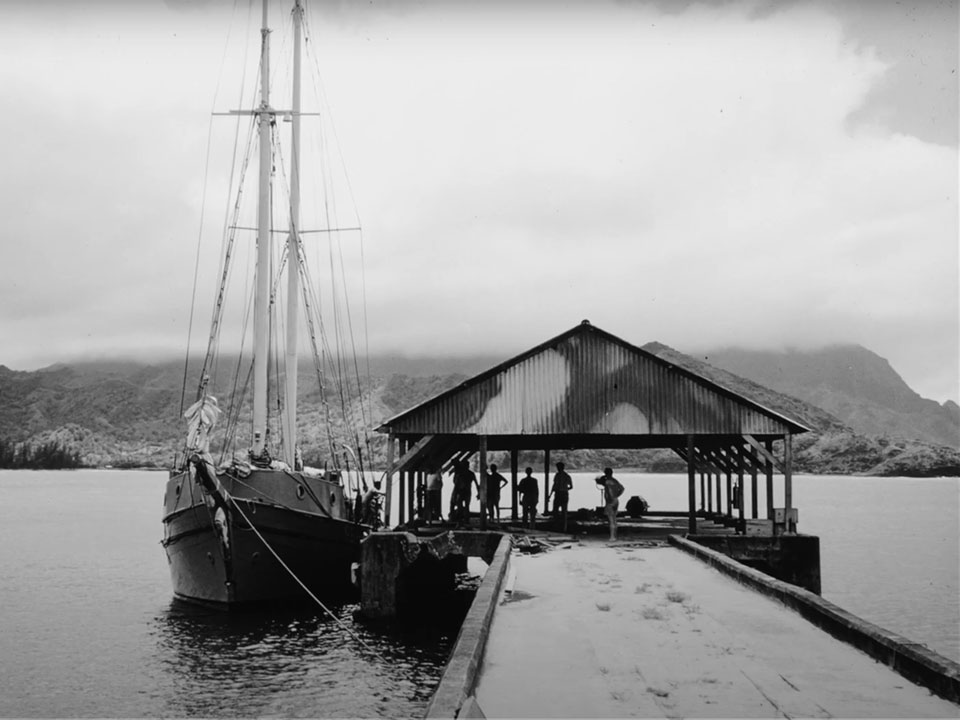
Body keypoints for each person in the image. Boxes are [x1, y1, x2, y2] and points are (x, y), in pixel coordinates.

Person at [595, 467, 624, 541]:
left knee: (611, 520)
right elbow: (622, 488)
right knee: (614, 519)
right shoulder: (615, 481)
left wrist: (611, 498)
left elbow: (598, 480)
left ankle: (612, 537)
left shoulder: (607, 482)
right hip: (616, 500)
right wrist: (617, 495)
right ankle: (615, 535)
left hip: (610, 501)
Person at [548, 461, 573, 531]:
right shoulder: (566, 476)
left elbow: (554, 486)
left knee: (558, 511)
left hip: (560, 494)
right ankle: (562, 528)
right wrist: (565, 489)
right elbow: (571, 487)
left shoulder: (559, 475)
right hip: (563, 493)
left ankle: (559, 527)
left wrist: (550, 495)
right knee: (562, 511)